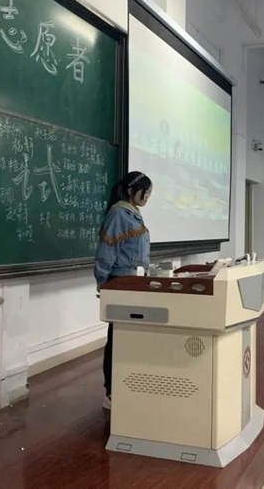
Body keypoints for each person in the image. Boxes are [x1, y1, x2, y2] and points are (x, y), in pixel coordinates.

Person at [94, 171, 152, 410]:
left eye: (149, 194)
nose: (146, 197)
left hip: (135, 283)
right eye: (144, 192)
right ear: (131, 190)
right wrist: (103, 283)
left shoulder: (133, 214)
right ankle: (111, 392)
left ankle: (127, 387)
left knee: (129, 337)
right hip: (121, 283)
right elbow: (106, 252)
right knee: (117, 337)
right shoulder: (119, 213)